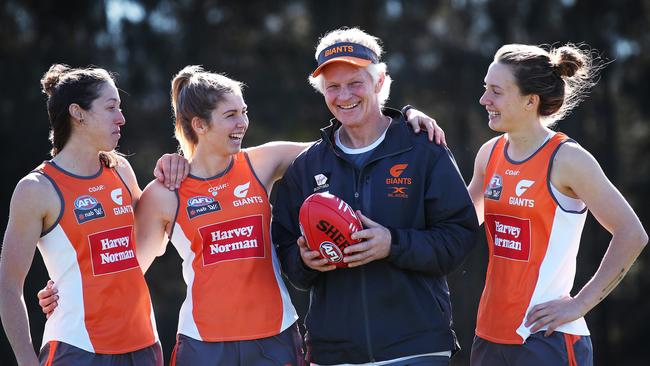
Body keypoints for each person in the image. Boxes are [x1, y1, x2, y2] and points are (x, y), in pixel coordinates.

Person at [35, 65, 444, 365]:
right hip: (202, 346)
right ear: (199, 123)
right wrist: (63, 292)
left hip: (276, 339)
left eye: (244, 112)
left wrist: (403, 119)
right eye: (231, 115)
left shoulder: (262, 163)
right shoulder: (164, 192)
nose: (243, 124)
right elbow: (124, 269)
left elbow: (351, 142)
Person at [271, 27, 480, 365]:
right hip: (334, 353)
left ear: (380, 81)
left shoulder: (423, 150)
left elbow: (459, 236)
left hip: (416, 347)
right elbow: (286, 256)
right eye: (333, 87)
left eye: (355, 83)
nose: (344, 96)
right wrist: (304, 262)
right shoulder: (305, 168)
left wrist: (391, 244)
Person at [466, 43, 648, 366]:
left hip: (547, 340)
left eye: (496, 91)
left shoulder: (567, 159)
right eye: (484, 89)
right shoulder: (488, 154)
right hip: (488, 337)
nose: (484, 100)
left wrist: (579, 304)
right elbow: (458, 225)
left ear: (529, 101)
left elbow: (632, 233)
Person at [0, 65, 163, 365]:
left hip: (144, 345)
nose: (122, 118)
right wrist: (26, 361)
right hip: (76, 350)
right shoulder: (36, 189)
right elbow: (8, 288)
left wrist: (172, 166)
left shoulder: (121, 171)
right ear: (78, 113)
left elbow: (154, 235)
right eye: (111, 107)